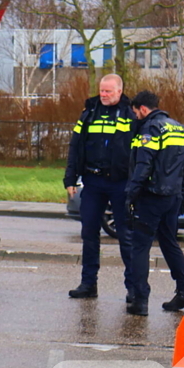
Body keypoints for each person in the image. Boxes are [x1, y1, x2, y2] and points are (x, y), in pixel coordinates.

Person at [64, 74, 137, 300]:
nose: (103, 95)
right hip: (93, 181)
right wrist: (70, 178)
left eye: (108, 91)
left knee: (126, 236)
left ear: (119, 91)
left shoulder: (129, 114)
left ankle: (133, 288)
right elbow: (75, 146)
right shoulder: (89, 113)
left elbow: (138, 151)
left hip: (120, 182)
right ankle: (88, 284)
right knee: (89, 234)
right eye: (102, 91)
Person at [125, 90, 184, 316]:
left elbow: (143, 165)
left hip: (151, 196)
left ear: (143, 109)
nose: (135, 117)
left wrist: (131, 194)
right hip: (172, 197)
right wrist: (181, 194)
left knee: (140, 246)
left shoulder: (150, 129)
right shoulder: (179, 128)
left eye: (136, 113)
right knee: (169, 243)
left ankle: (140, 299)